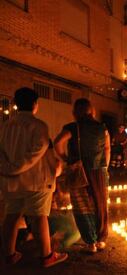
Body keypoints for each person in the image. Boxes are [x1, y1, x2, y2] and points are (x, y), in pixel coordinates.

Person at [0, 87, 68, 267]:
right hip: (36, 181)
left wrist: (7, 169)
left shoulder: (5, 126)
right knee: (39, 217)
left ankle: (9, 254)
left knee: (11, 216)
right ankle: (47, 256)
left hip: (11, 181)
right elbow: (37, 153)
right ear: (35, 105)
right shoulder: (39, 126)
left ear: (15, 104)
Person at [54, 98, 110, 253]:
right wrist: (105, 167)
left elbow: (57, 143)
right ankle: (101, 240)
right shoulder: (102, 128)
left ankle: (90, 242)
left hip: (79, 171)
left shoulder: (72, 127)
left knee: (82, 206)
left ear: (75, 113)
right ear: (91, 111)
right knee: (100, 204)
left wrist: (66, 158)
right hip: (99, 171)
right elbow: (107, 149)